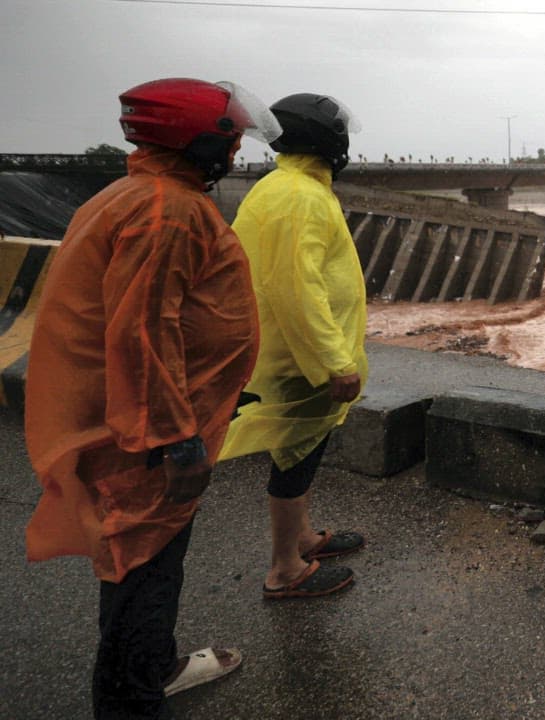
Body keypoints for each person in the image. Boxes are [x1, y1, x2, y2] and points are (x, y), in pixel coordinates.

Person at [24, 77, 280, 718]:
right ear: (200, 141)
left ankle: (153, 666)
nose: (236, 149)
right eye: (231, 138)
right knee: (145, 565)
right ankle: (132, 697)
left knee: (143, 556)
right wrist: (177, 440)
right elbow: (141, 331)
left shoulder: (137, 193)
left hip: (131, 420)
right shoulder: (169, 211)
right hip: (142, 434)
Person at [219, 92, 368, 599]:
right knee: (294, 457)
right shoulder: (300, 196)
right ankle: (285, 569)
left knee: (298, 451)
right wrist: (335, 361)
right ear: (326, 138)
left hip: (289, 350)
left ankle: (301, 538)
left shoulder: (290, 185)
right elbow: (295, 287)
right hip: (295, 357)